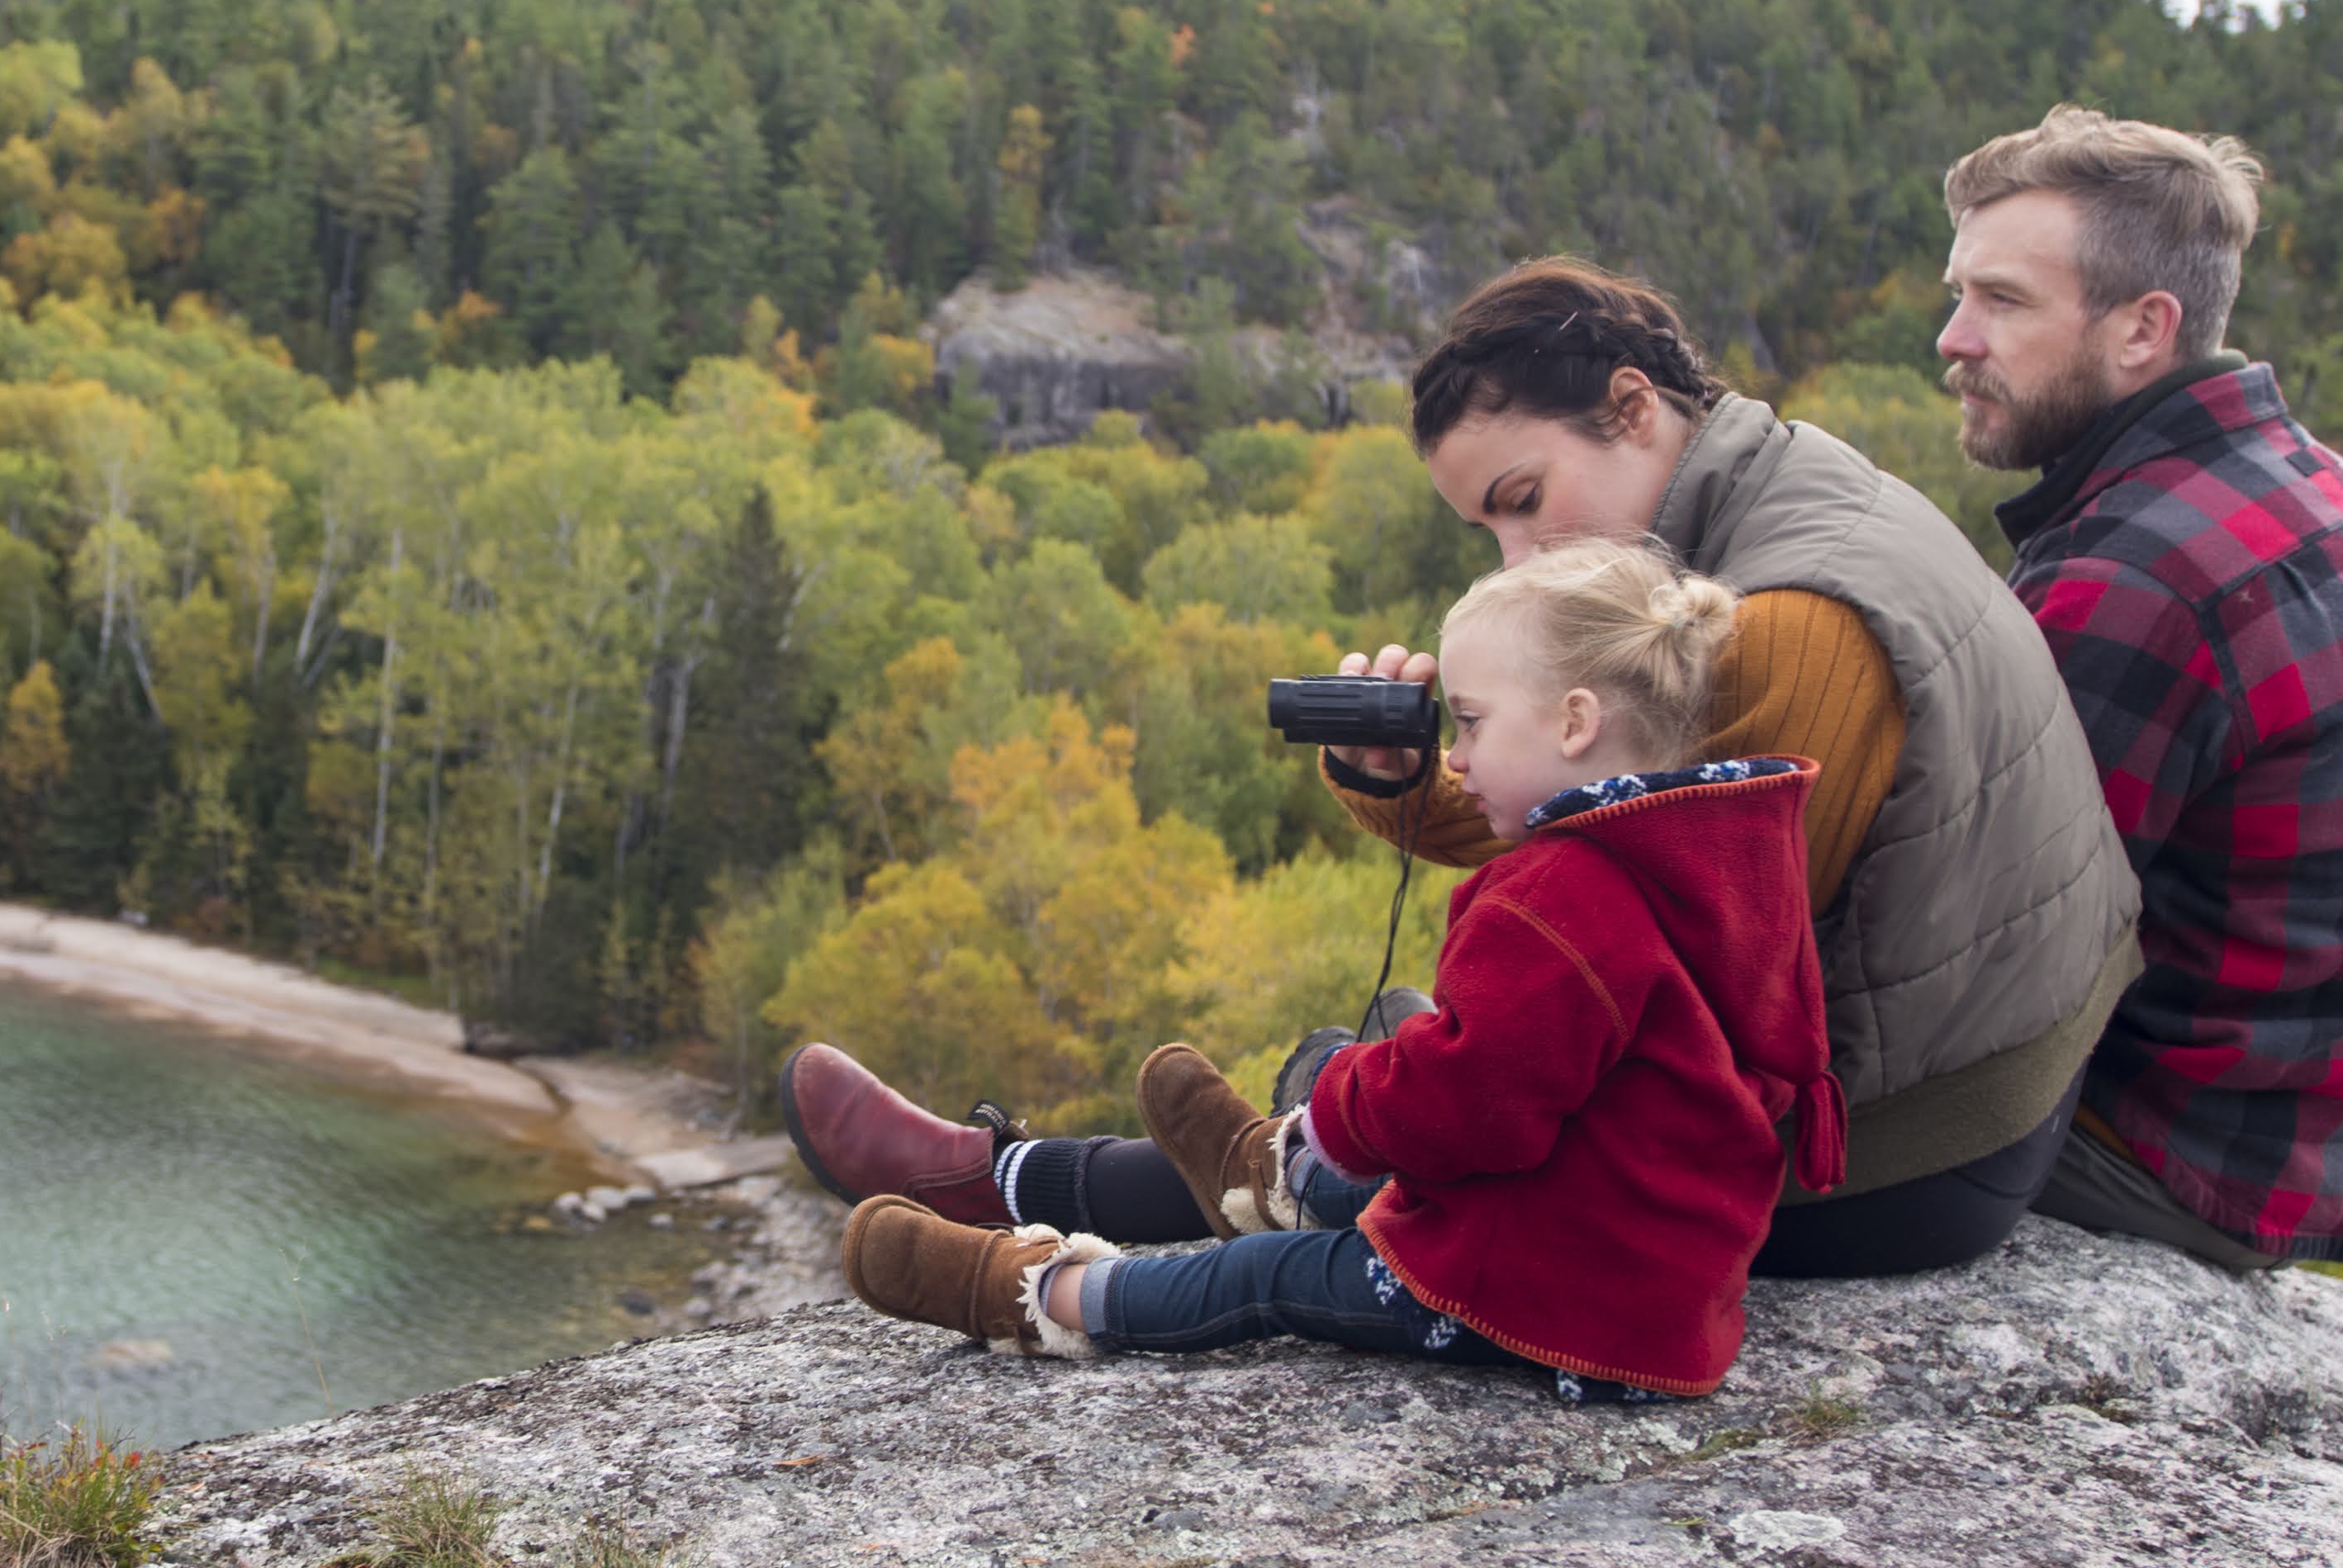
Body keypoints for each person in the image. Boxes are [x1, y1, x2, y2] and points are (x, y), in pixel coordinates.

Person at [785, 256, 2141, 1277]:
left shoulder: (1790, 623)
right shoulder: (1781, 484)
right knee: (1381, 1078)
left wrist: (1401, 1076)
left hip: (1903, 1158)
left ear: (1630, 407)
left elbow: (1645, 947)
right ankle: (1026, 1174)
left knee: (1395, 1103)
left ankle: (1018, 1191)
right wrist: (1405, 783)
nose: (1524, 561)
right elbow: (1637, 849)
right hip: (1941, 1081)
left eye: (1523, 500)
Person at [835, 540, 1839, 1396]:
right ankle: (1263, 1172)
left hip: (1556, 1292)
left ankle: (1036, 1292)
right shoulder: (1724, 856)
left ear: (1574, 723)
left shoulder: (1559, 896)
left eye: (1473, 723)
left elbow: (1466, 1109)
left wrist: (1340, 1105)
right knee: (1375, 1077)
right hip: (1663, 1283)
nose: (1452, 758)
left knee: (1263, 1278)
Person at [1936, 107, 2343, 1270]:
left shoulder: (2136, 576)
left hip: (2165, 1153)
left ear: (2143, 329)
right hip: (2295, 1137)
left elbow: (1981, 948)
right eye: (1958, 295)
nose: (1954, 338)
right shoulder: (2296, 473)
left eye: (2002, 301)